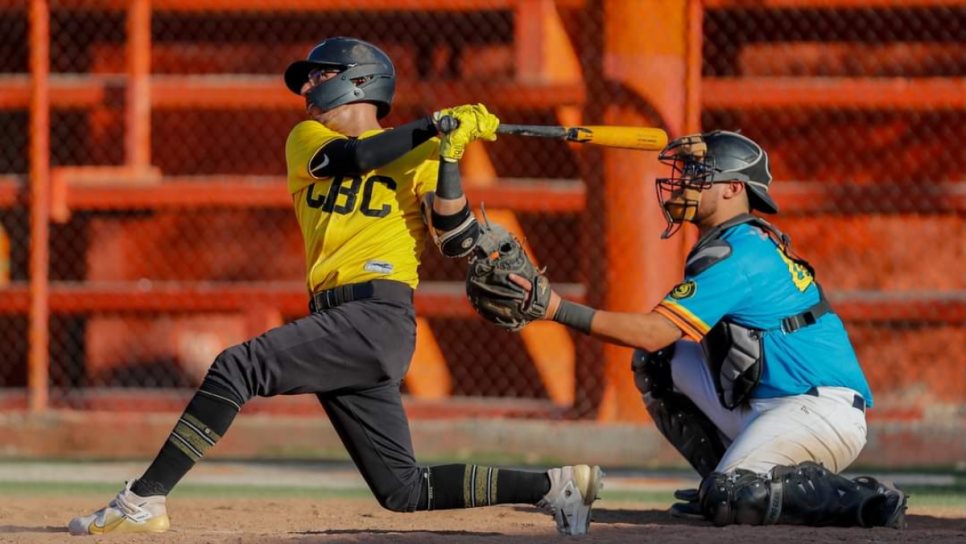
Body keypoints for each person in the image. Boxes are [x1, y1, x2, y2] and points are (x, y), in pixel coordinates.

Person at [68, 36, 601, 536]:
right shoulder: (308, 139)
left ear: (359, 81)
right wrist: (432, 127)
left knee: (238, 366)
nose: (307, 89)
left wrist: (451, 155)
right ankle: (556, 487)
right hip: (344, 323)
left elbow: (456, 238)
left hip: (377, 316)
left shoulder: (421, 157)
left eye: (319, 75)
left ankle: (145, 498)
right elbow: (359, 157)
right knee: (402, 489)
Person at [507, 130, 906, 528]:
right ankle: (731, 479)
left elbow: (653, 330)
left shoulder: (741, 253)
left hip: (817, 411)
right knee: (659, 363)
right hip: (770, 406)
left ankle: (861, 500)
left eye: (701, 175)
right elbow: (658, 345)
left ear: (734, 188)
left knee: (731, 496)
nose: (686, 183)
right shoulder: (735, 241)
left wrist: (556, 309)